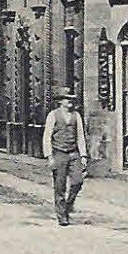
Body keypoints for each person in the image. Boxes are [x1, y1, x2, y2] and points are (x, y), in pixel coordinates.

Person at [42, 94, 88, 226]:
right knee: (59, 186)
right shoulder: (53, 115)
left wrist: (83, 155)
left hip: (73, 153)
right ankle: (62, 216)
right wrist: (49, 157)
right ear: (61, 101)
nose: (70, 102)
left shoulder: (76, 116)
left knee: (78, 181)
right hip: (59, 153)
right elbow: (47, 137)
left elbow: (80, 136)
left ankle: (68, 205)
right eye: (68, 99)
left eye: (72, 99)